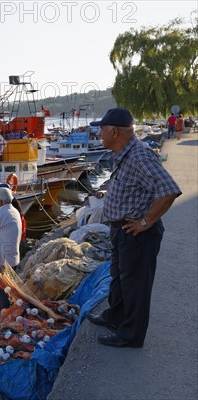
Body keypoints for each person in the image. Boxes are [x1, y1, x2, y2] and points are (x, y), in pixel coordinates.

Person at [86, 108, 181, 348]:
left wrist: (146, 222)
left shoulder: (139, 156)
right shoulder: (122, 153)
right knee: (119, 279)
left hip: (137, 234)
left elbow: (169, 190)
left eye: (102, 129)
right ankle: (116, 316)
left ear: (115, 131)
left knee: (136, 286)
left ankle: (131, 335)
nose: (99, 133)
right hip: (121, 230)